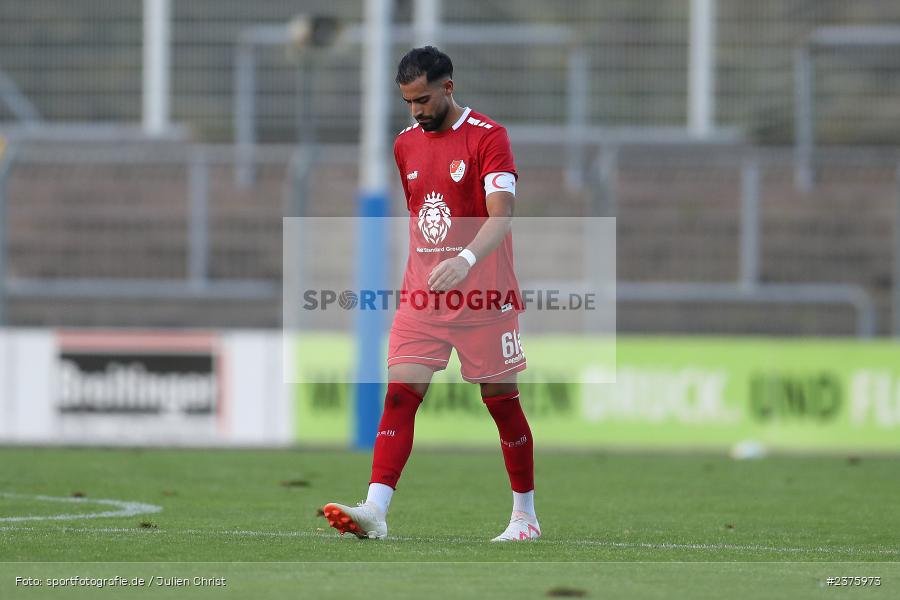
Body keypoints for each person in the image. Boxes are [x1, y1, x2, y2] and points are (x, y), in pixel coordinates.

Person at [323, 46, 539, 542]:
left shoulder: (488, 136)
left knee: (501, 403)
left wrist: (464, 260)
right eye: (408, 102)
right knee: (400, 396)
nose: (416, 110)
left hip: (484, 298)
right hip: (424, 297)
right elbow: (423, 214)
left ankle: (525, 516)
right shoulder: (404, 144)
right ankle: (375, 510)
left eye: (423, 99)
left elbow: (501, 216)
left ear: (448, 87)